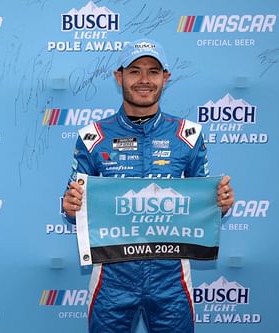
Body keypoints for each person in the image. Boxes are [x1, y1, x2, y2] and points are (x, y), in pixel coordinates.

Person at [63, 39, 234, 333]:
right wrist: (69, 206)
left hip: (171, 277)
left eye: (153, 71)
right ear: (119, 77)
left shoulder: (188, 135)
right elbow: (73, 204)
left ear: (165, 78)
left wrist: (220, 203)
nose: (144, 80)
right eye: (134, 71)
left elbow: (205, 205)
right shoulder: (93, 136)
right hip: (111, 276)